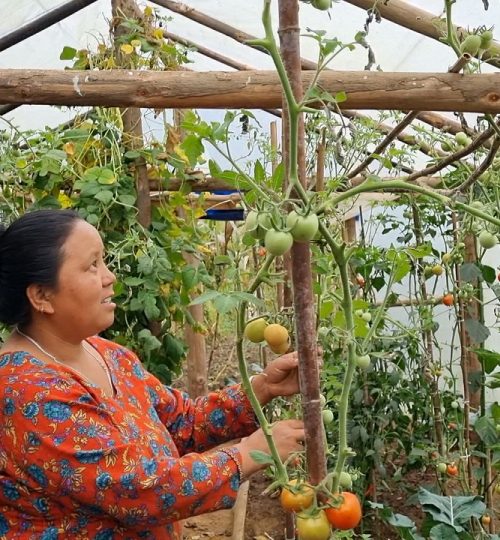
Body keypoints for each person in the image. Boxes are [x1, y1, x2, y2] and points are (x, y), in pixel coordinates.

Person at [0, 209, 306, 539]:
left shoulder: (107, 355)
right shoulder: (24, 391)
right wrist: (246, 454)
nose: (109, 276)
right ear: (42, 296)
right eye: (92, 265)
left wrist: (262, 388)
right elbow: (141, 491)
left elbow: (183, 423)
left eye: (103, 261)